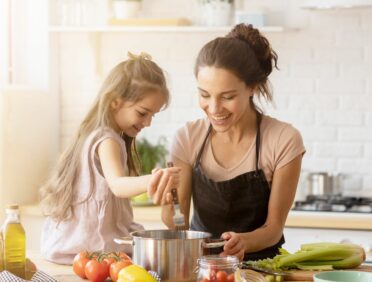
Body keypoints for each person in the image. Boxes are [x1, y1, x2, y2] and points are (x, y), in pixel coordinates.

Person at [160, 24, 306, 261]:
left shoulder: (283, 140)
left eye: (227, 97)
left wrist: (244, 241)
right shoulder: (187, 138)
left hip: (262, 269)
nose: (215, 109)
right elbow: (179, 225)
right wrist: (170, 204)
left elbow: (273, 228)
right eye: (205, 95)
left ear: (252, 87)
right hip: (202, 270)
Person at [39, 52, 180, 264]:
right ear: (115, 102)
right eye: (143, 113)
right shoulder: (108, 139)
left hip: (74, 245)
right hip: (93, 248)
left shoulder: (94, 133)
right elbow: (117, 185)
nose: (148, 122)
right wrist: (153, 179)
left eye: (153, 115)